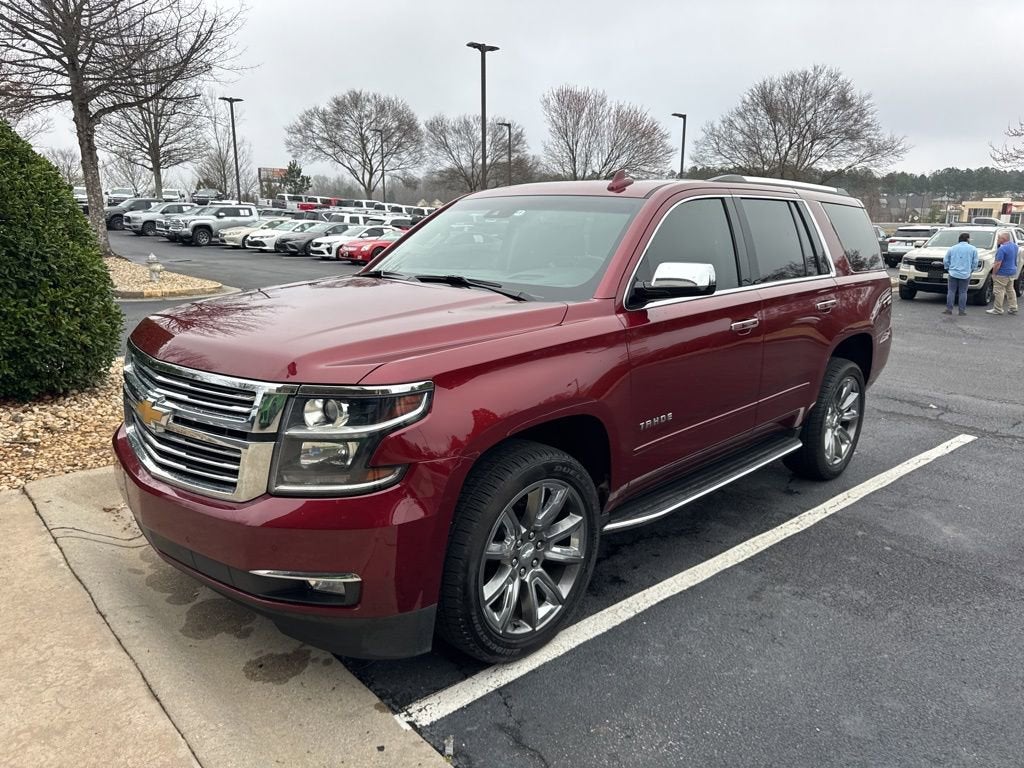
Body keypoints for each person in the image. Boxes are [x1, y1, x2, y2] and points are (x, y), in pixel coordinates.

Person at [943, 232, 978, 315]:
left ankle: (949, 309)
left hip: (953, 272)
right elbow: (975, 261)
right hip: (966, 273)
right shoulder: (973, 249)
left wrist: (947, 268)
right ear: (967, 239)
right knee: (963, 292)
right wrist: (972, 269)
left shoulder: (952, 248)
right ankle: (961, 311)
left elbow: (946, 260)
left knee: (951, 291)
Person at [986, 231, 1019, 316]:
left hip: (1002, 273)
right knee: (1010, 290)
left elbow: (998, 263)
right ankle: (1013, 307)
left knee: (999, 291)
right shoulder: (1015, 246)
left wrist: (994, 273)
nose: (997, 239)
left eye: (998, 238)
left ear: (1003, 239)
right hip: (1012, 271)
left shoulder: (1002, 249)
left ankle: (998, 309)